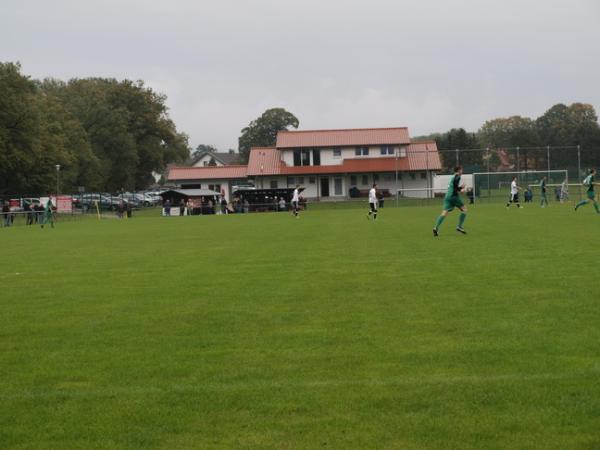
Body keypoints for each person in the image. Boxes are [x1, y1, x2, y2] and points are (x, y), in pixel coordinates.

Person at [433, 166, 467, 236]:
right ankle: (459, 227)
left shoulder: (452, 177)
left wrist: (460, 188)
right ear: (459, 170)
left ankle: (436, 228)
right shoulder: (457, 176)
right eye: (461, 170)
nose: (462, 171)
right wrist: (461, 189)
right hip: (453, 197)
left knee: (444, 213)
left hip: (447, 197)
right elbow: (455, 188)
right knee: (464, 210)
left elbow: (454, 187)